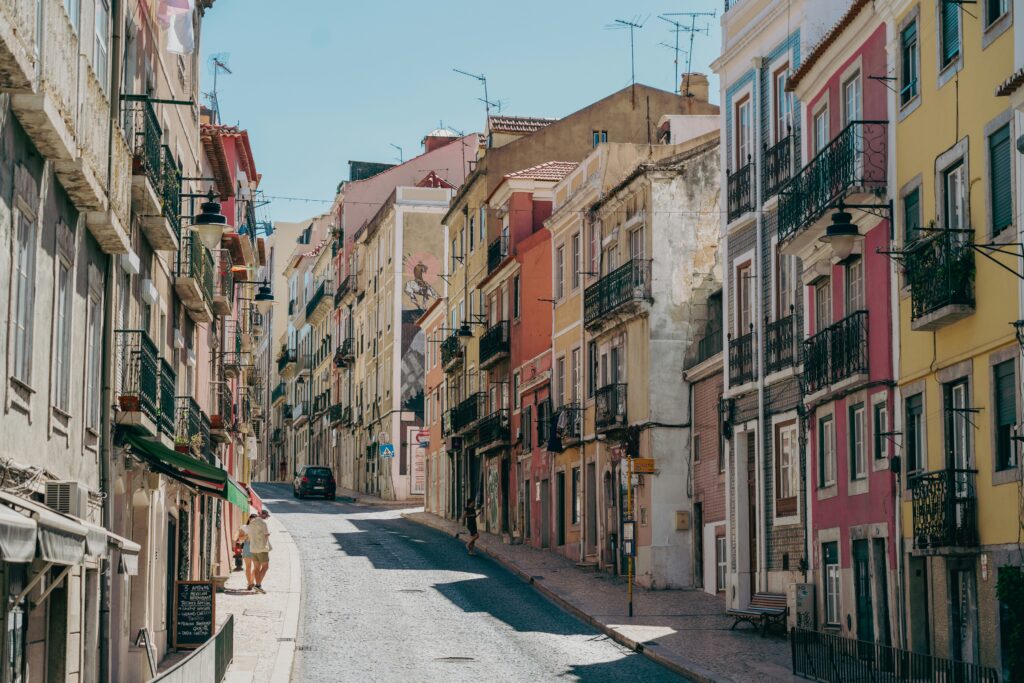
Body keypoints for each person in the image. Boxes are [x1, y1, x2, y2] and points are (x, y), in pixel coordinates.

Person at [246, 510, 272, 593]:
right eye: (266, 516)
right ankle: (258, 585)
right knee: (265, 567)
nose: (266, 517)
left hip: (253, 548)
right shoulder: (263, 523)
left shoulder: (251, 523)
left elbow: (249, 534)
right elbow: (265, 534)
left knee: (257, 568)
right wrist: (268, 534)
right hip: (262, 548)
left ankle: (258, 586)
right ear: (263, 515)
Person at [236, 514, 257, 590]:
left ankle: (252, 581)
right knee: (248, 567)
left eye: (255, 520)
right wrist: (247, 535)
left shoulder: (258, 528)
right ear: (249, 519)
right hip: (247, 546)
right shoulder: (244, 527)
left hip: (256, 547)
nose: (253, 521)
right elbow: (240, 538)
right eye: (252, 519)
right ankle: (250, 583)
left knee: (256, 567)